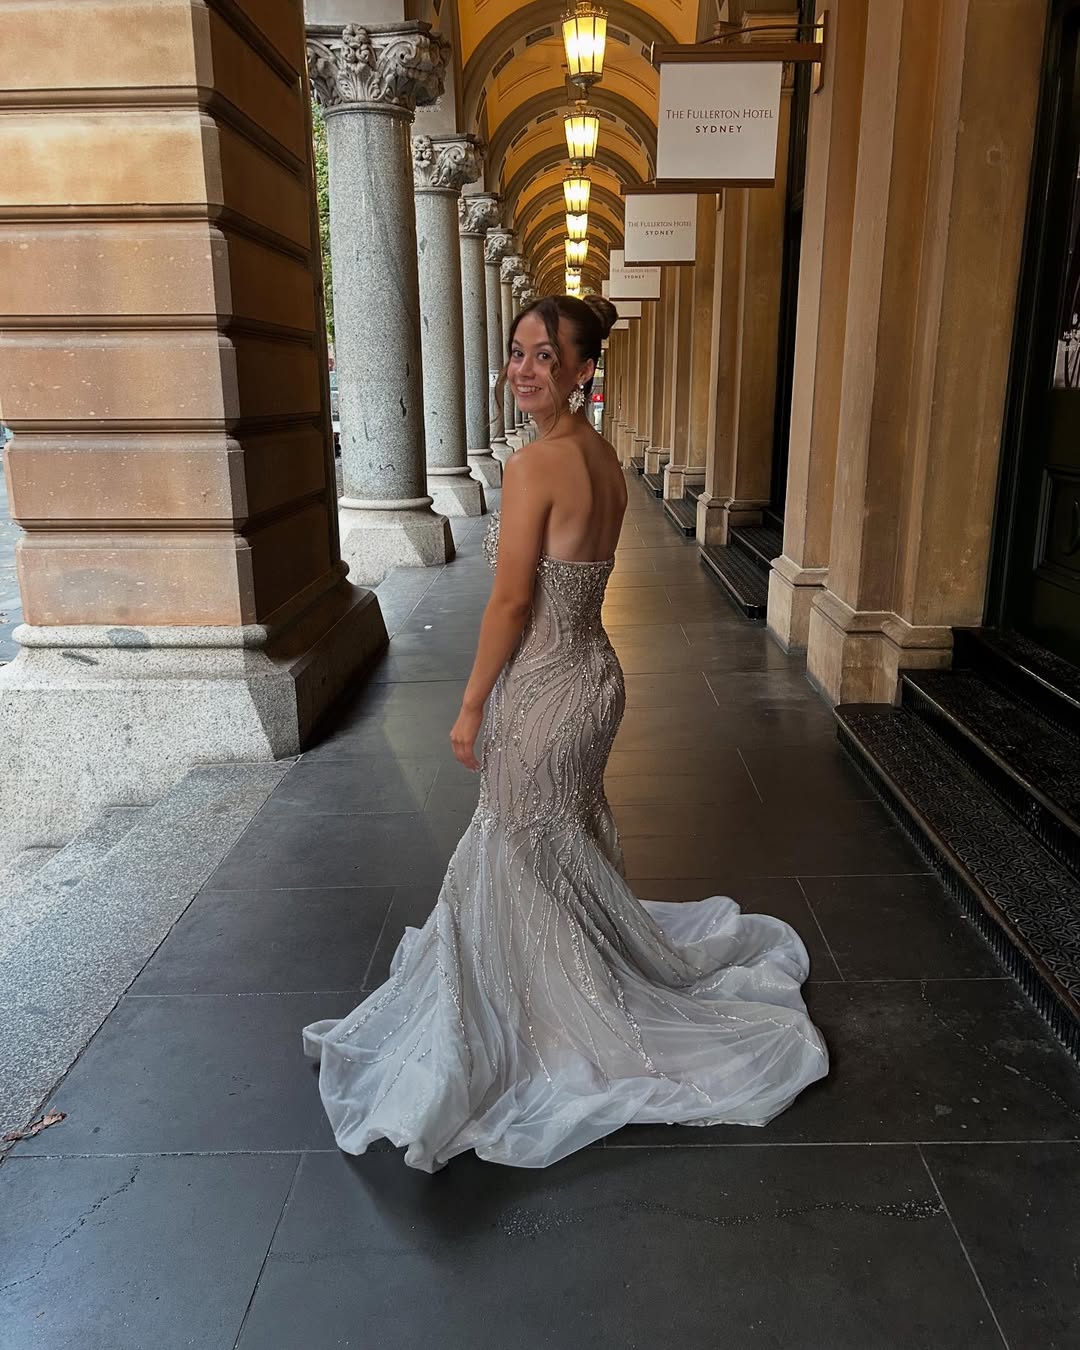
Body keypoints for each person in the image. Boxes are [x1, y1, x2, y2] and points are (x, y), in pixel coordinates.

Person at [302, 294, 828, 1171]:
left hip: (547, 689)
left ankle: (552, 1013)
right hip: (594, 679)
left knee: (518, 844)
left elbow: (512, 602)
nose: (524, 368)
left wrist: (472, 705)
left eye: (545, 355)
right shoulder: (601, 455)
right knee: (545, 847)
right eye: (518, 351)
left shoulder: (538, 464)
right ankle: (563, 982)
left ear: (583, 370)